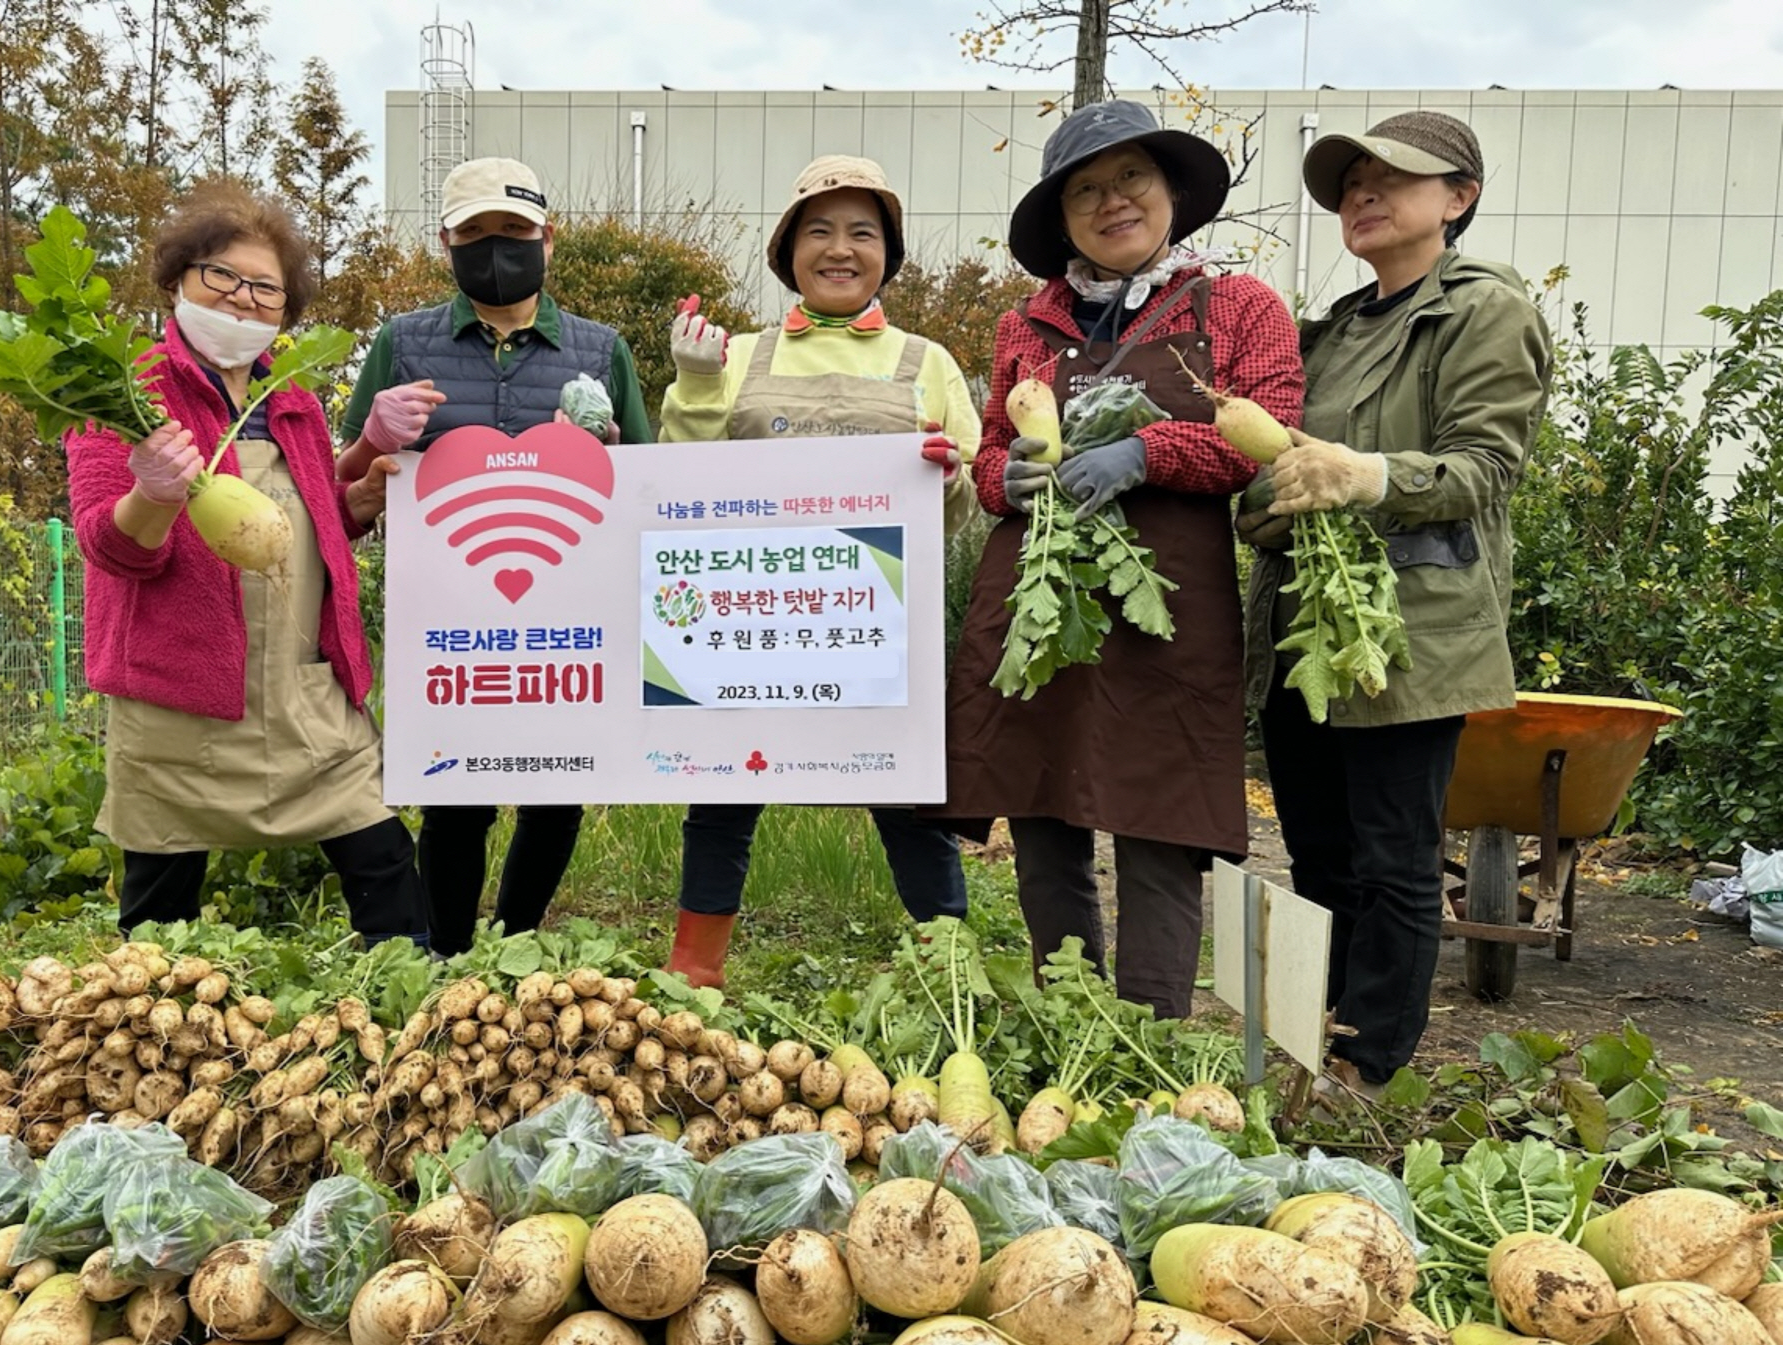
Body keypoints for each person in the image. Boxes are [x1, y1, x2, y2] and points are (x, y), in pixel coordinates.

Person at [935, 101, 1304, 1019]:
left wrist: (1150, 452)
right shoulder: (1029, 324)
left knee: (1160, 814)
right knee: (1041, 803)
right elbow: (988, 451)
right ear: (1063, 218)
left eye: (1129, 179)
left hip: (1168, 606)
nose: (1112, 202)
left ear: (1170, 189)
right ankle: (1070, 1011)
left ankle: (1149, 1033)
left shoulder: (1240, 306)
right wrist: (1005, 479)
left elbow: (1271, 435)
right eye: (1086, 191)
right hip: (1038, 594)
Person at [1238, 112, 1554, 1096]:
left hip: (1408, 636)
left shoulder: (1481, 311)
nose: (1361, 194)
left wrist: (1361, 476)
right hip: (1303, 630)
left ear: (1456, 198)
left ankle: (1368, 1064)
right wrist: (1271, 500)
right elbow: (1265, 478)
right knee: (1316, 850)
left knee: (1391, 858)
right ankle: (1311, 1034)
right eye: (1349, 181)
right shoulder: (1326, 335)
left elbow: (1481, 470)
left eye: (1392, 178)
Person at [66, 179, 427, 944]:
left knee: (383, 856)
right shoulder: (124, 392)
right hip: (180, 696)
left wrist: (364, 471)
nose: (242, 300)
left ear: (286, 311)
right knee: (162, 904)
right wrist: (154, 493)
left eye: (266, 288)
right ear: (177, 282)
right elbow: (107, 544)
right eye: (222, 276)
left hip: (302, 689)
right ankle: (158, 1032)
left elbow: (303, 525)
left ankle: (415, 1008)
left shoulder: (290, 400)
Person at [658, 155, 979, 988]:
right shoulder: (733, 356)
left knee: (911, 800)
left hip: (875, 624)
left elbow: (961, 504)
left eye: (862, 233)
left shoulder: (930, 362)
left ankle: (946, 973)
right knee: (722, 797)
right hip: (748, 622)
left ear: (889, 254)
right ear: (788, 251)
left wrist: (950, 479)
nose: (841, 249)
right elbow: (675, 481)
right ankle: (695, 973)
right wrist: (694, 386)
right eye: (820, 231)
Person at [336, 157, 655, 958]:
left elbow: (648, 484)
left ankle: (516, 942)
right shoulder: (402, 344)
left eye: (514, 232)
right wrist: (374, 441)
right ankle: (448, 952)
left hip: (570, 612)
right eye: (475, 234)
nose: (497, 249)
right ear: (447, 242)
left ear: (548, 237)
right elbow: (341, 487)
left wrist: (612, 455)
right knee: (455, 794)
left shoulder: (600, 349)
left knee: (558, 790)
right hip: (445, 614)